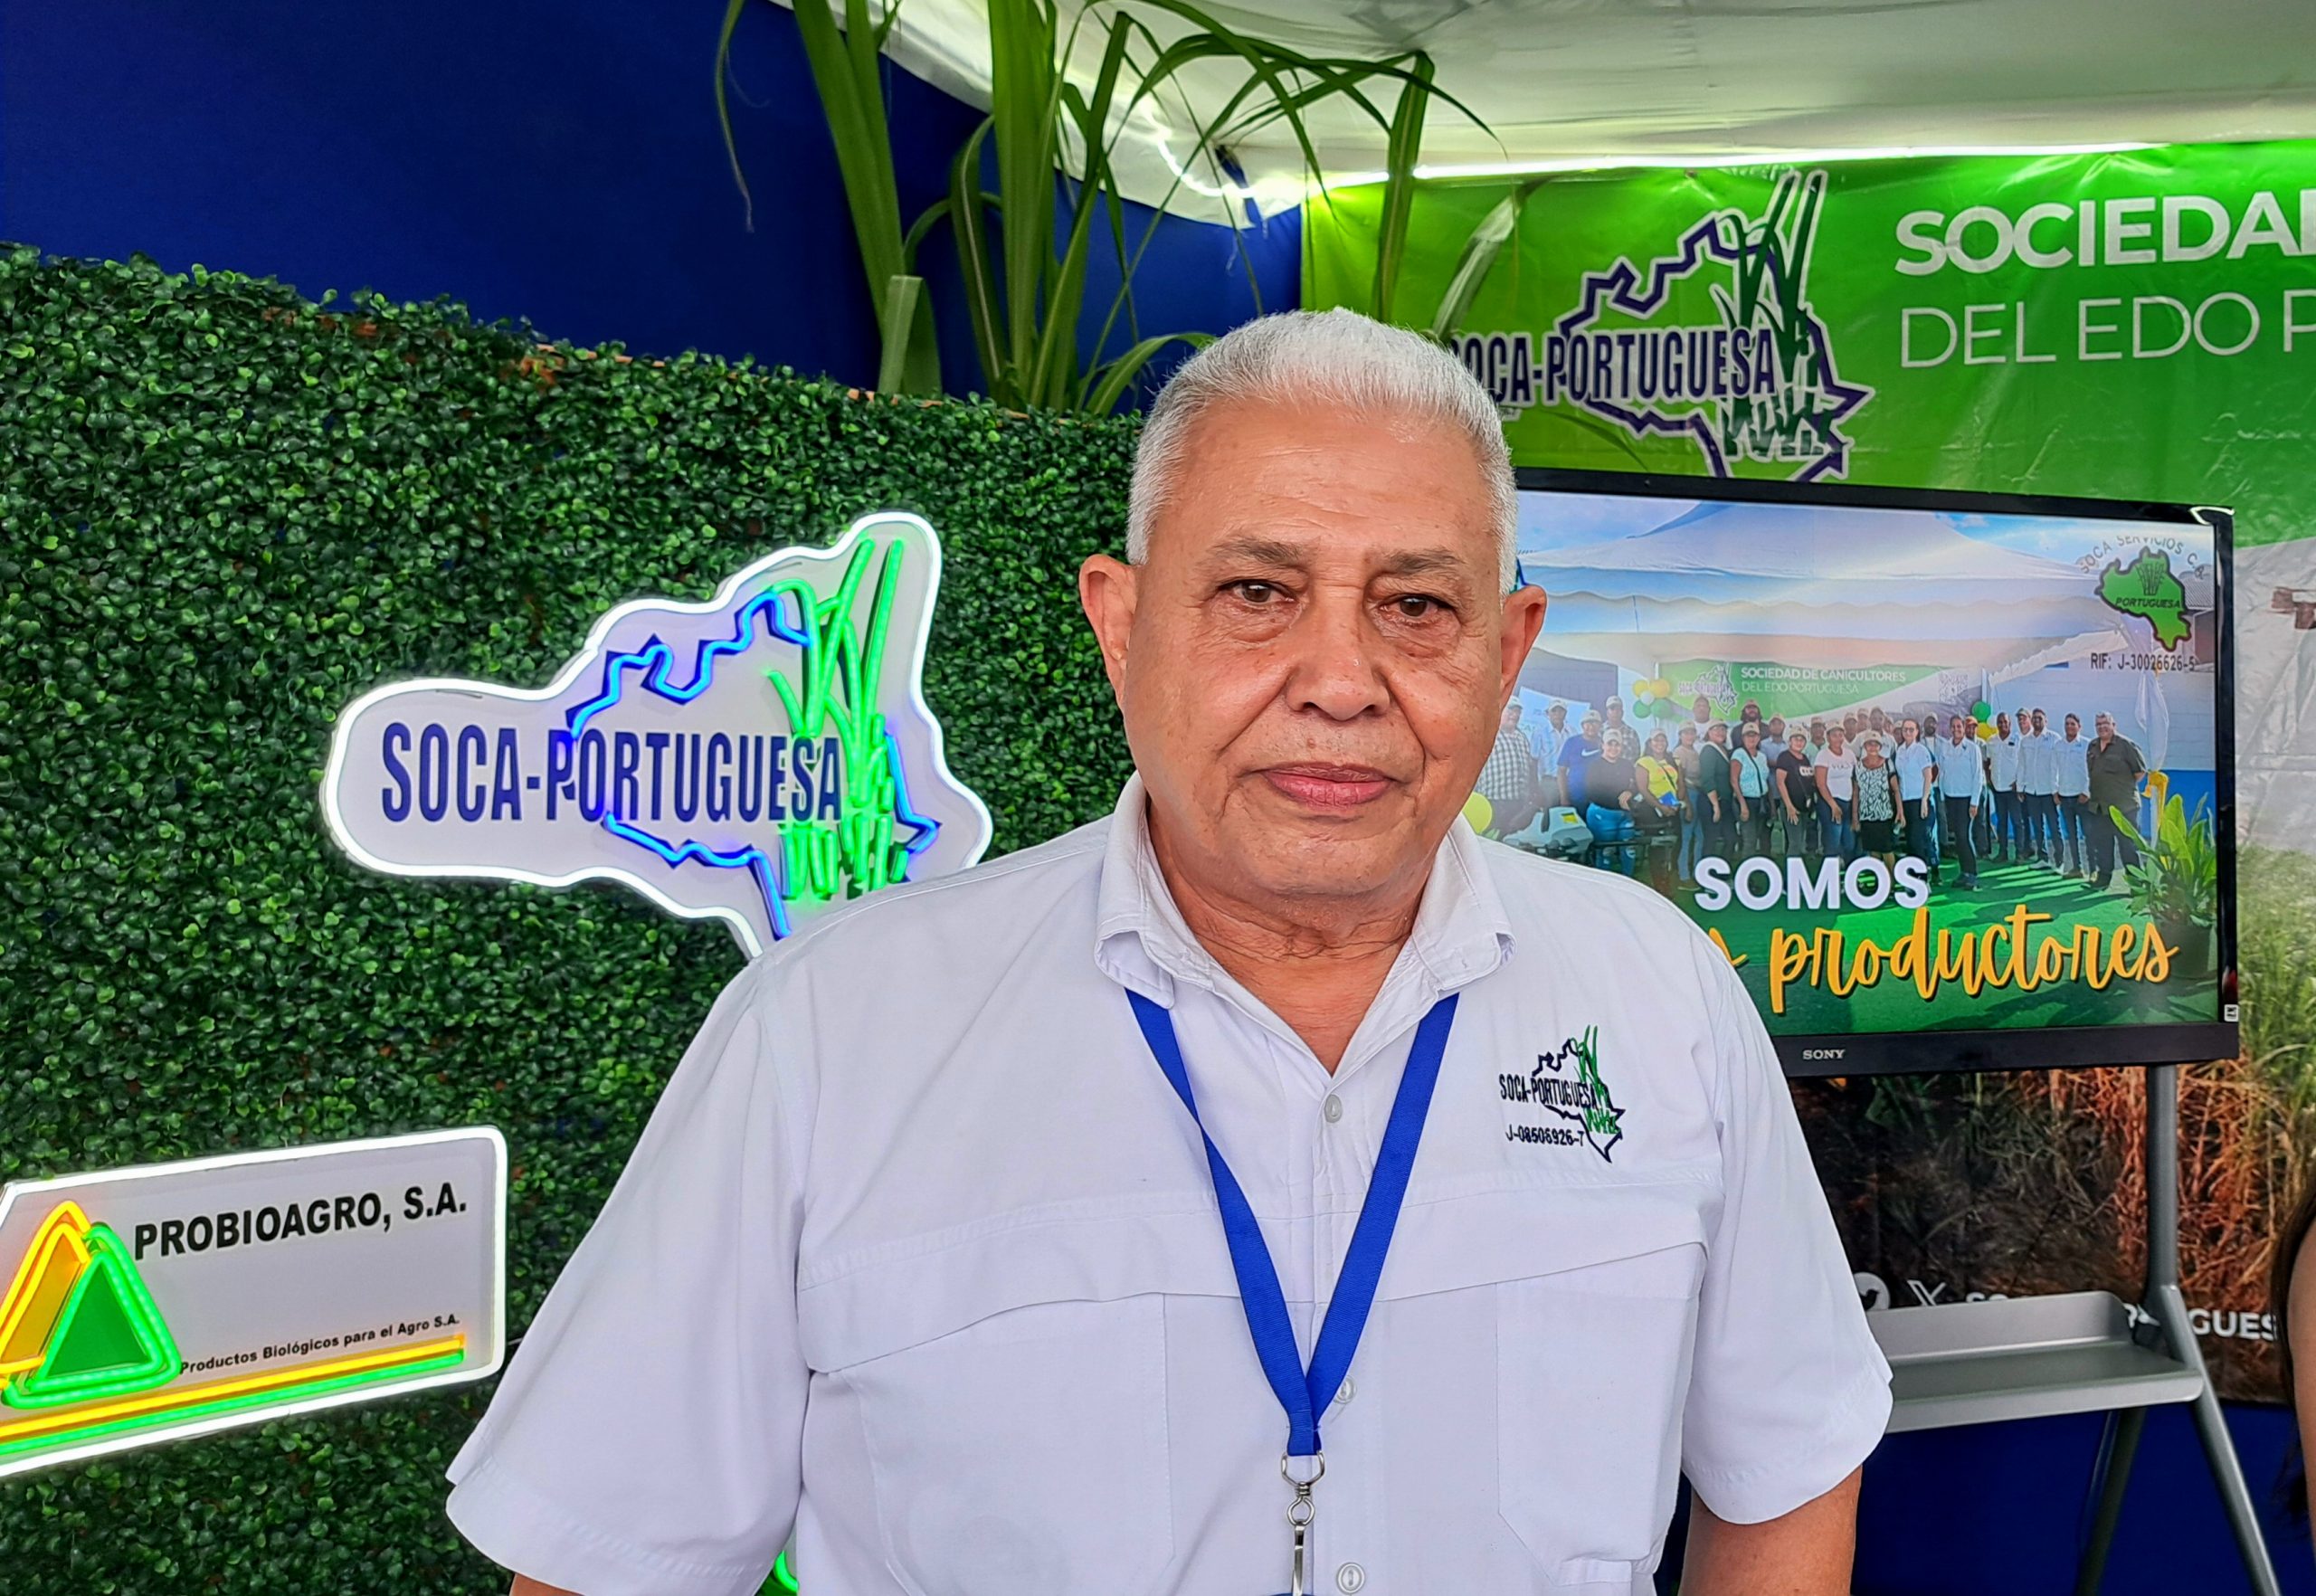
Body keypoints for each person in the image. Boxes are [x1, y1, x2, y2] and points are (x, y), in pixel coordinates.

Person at [443, 309, 1886, 1596]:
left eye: (1416, 607)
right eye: (1257, 592)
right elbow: (608, 1563)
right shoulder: (827, 1037)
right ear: (1121, 627)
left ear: (1506, 655)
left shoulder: (1659, 994)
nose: (1340, 682)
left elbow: (1789, 1463)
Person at [2085, 710, 2150, 888]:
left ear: (2114, 725)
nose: (2102, 727)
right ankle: (2103, 879)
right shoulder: (2092, 746)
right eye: (2098, 724)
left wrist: (2120, 788)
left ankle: (2136, 883)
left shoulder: (2126, 745)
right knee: (2103, 845)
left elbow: (2140, 772)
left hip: (2124, 807)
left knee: (2128, 846)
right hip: (2100, 806)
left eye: (2105, 723)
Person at [1476, 698, 1545, 838]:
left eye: (1518, 711)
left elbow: (1530, 767)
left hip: (1520, 803)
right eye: (1511, 710)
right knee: (1492, 839)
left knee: (1513, 840)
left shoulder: (1522, 738)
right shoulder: (1487, 735)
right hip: (1494, 801)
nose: (1514, 715)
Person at [1933, 714, 1985, 890]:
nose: (1956, 729)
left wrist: (1974, 802)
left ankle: (1972, 874)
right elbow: (1942, 772)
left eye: (1959, 726)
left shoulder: (1972, 749)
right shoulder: (1945, 747)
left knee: (1964, 836)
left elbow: (1977, 776)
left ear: (1964, 728)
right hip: (1950, 797)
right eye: (1953, 727)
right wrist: (1942, 796)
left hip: (1966, 799)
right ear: (1950, 729)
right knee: (1958, 837)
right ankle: (1964, 872)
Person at [1633, 729, 1685, 893]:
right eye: (1656, 740)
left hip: (1673, 807)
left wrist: (1677, 803)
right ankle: (1659, 883)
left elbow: (1681, 784)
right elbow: (1643, 789)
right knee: (1657, 846)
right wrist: (1660, 806)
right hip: (1651, 810)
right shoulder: (1643, 762)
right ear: (1650, 743)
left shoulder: (1674, 760)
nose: (1659, 743)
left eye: (1662, 740)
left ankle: (1669, 876)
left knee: (1676, 842)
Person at [1586, 727, 1644, 874]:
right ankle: (1604, 884)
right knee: (1606, 852)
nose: (1613, 748)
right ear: (1603, 745)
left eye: (1617, 744)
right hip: (1602, 814)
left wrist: (1630, 793)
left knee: (1629, 850)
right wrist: (1618, 800)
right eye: (1610, 744)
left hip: (1624, 815)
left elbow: (1637, 785)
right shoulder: (1595, 766)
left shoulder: (1626, 765)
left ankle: (1628, 881)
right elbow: (1592, 792)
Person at [1892, 717, 1940, 884]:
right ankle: (1913, 878)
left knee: (1918, 840)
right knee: (1911, 841)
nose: (1908, 732)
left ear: (1917, 732)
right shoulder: (1899, 751)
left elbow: (1928, 776)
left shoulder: (1921, 751)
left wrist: (1925, 800)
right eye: (1905, 729)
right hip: (1905, 802)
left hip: (1920, 801)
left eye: (1911, 729)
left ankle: (1923, 878)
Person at [2017, 708, 2059, 866]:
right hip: (2031, 791)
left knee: (2054, 827)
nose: (2036, 721)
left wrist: (2056, 790)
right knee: (2037, 826)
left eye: (2039, 718)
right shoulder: (2025, 741)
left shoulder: (2054, 739)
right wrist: (2020, 787)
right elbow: (2022, 765)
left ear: (2045, 721)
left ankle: (2059, 861)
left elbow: (2057, 767)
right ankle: (2042, 858)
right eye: (2034, 718)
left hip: (2049, 791)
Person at [2053, 712, 2093, 878]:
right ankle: (2077, 868)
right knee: (2071, 835)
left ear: (2079, 726)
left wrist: (2086, 791)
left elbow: (2092, 770)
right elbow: (2054, 769)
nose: (2069, 726)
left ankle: (2093, 870)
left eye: (2072, 724)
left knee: (2088, 834)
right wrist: (2055, 791)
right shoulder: (2058, 745)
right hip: (2064, 796)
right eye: (2067, 724)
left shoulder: (2087, 745)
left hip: (2082, 798)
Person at [1853, 736, 1902, 867]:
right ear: (1865, 747)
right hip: (1866, 815)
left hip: (1884, 815)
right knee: (1873, 850)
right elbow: (1856, 793)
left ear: (1880, 747)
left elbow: (1896, 790)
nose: (1873, 747)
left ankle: (1891, 878)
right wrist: (1855, 817)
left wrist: (1900, 812)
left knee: (1887, 850)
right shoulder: (1858, 766)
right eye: (1869, 744)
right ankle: (1879, 878)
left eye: (1876, 744)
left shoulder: (1887, 763)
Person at [1813, 726, 1858, 861]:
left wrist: (1854, 809)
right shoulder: (1823, 755)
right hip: (1829, 803)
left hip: (1847, 802)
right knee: (1833, 840)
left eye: (1840, 735)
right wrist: (1833, 805)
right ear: (1828, 737)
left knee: (1849, 842)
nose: (1838, 738)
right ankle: (1830, 871)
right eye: (1834, 735)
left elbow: (1854, 779)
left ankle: (1847, 870)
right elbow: (1820, 783)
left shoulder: (1849, 754)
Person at [1731, 721, 1775, 857]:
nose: (1752, 738)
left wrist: (1772, 805)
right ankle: (1746, 868)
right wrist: (1743, 805)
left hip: (1761, 800)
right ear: (1743, 738)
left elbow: (1766, 780)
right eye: (1748, 735)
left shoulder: (1762, 756)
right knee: (1749, 839)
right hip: (1746, 800)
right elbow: (1734, 780)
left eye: (1754, 735)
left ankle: (1759, 865)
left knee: (1759, 835)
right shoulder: (1738, 754)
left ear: (1759, 737)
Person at [1773, 729, 1818, 859]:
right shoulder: (1784, 757)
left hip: (1804, 807)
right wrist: (1789, 806)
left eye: (1802, 739)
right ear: (1790, 741)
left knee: (1799, 841)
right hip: (1791, 807)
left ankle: (1794, 868)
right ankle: (1790, 870)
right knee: (1795, 843)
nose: (1799, 742)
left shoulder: (1804, 759)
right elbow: (1780, 782)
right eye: (1796, 739)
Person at [1671, 721, 1704, 886]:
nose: (1689, 736)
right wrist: (1687, 803)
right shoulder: (1679, 752)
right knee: (1686, 836)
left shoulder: (1694, 751)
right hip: (1688, 795)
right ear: (1680, 735)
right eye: (1686, 733)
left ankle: (1698, 872)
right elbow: (1680, 779)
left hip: (1698, 793)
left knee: (1700, 837)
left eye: (1692, 732)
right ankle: (1684, 875)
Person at [1696, 721, 1733, 865]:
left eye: (1723, 729)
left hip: (1725, 802)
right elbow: (1708, 779)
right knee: (1711, 839)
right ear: (1709, 732)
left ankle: (1723, 872)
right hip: (1711, 802)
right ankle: (1706, 872)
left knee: (1731, 838)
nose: (1720, 732)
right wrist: (1715, 805)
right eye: (1715, 729)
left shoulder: (1724, 750)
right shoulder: (1708, 750)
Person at [1986, 712, 2020, 864]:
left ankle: (2020, 853)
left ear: (2010, 724)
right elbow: (1987, 762)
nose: (2002, 725)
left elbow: (2023, 762)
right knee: (2002, 822)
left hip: (2013, 789)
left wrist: (2019, 782)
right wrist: (1989, 779)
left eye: (2005, 722)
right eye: (2000, 722)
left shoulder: (2017, 740)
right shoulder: (1991, 741)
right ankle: (2002, 852)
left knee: (2017, 822)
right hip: (1998, 788)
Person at [1557, 709, 1605, 813]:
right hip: (1574, 799)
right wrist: (1564, 798)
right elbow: (1561, 771)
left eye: (1595, 723)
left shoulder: (1605, 744)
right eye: (1588, 723)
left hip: (1598, 801)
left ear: (1600, 726)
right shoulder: (1571, 742)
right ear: (1582, 725)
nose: (1591, 726)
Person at [1531, 700, 1572, 808]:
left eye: (1561, 711)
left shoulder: (1572, 732)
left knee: (1567, 814)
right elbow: (1533, 760)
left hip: (1568, 782)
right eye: (1554, 711)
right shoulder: (1539, 732)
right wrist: (1535, 787)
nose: (1557, 714)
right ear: (1547, 714)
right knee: (1549, 813)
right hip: (1548, 782)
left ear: (1565, 713)